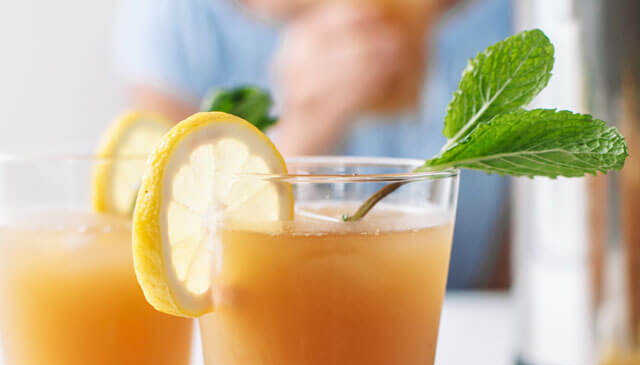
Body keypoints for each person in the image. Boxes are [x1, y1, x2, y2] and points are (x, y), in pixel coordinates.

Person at [114, 0, 512, 288]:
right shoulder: (181, 22)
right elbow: (181, 265)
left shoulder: (513, 17)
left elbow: (518, 291)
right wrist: (300, 134)